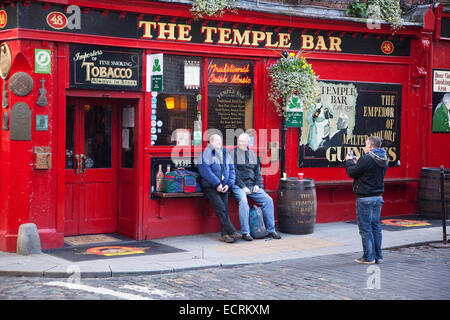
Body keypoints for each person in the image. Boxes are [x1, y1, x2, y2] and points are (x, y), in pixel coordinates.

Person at [345, 136, 388, 264]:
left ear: (370, 146)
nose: (365, 146)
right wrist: (359, 162)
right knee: (376, 227)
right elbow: (369, 170)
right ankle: (378, 256)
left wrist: (349, 161)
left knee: (365, 228)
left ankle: (369, 257)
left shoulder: (367, 159)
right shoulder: (384, 158)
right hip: (378, 197)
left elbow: (351, 172)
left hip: (365, 198)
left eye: (366, 144)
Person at [230, 133, 281, 241]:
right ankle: (246, 232)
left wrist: (258, 184)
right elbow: (234, 173)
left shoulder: (253, 155)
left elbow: (258, 172)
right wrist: (243, 187)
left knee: (268, 200)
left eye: (243, 141)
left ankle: (271, 230)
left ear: (248, 142)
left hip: (253, 185)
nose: (241, 143)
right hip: (238, 186)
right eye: (239, 141)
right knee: (243, 201)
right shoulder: (232, 154)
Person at [197, 134, 240, 243]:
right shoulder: (206, 154)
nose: (219, 142)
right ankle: (232, 231)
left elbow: (232, 170)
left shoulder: (226, 153)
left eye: (220, 140)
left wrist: (228, 184)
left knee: (224, 210)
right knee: (221, 209)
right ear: (211, 142)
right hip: (210, 187)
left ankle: (224, 235)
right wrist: (217, 184)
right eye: (216, 141)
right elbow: (205, 171)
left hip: (224, 187)